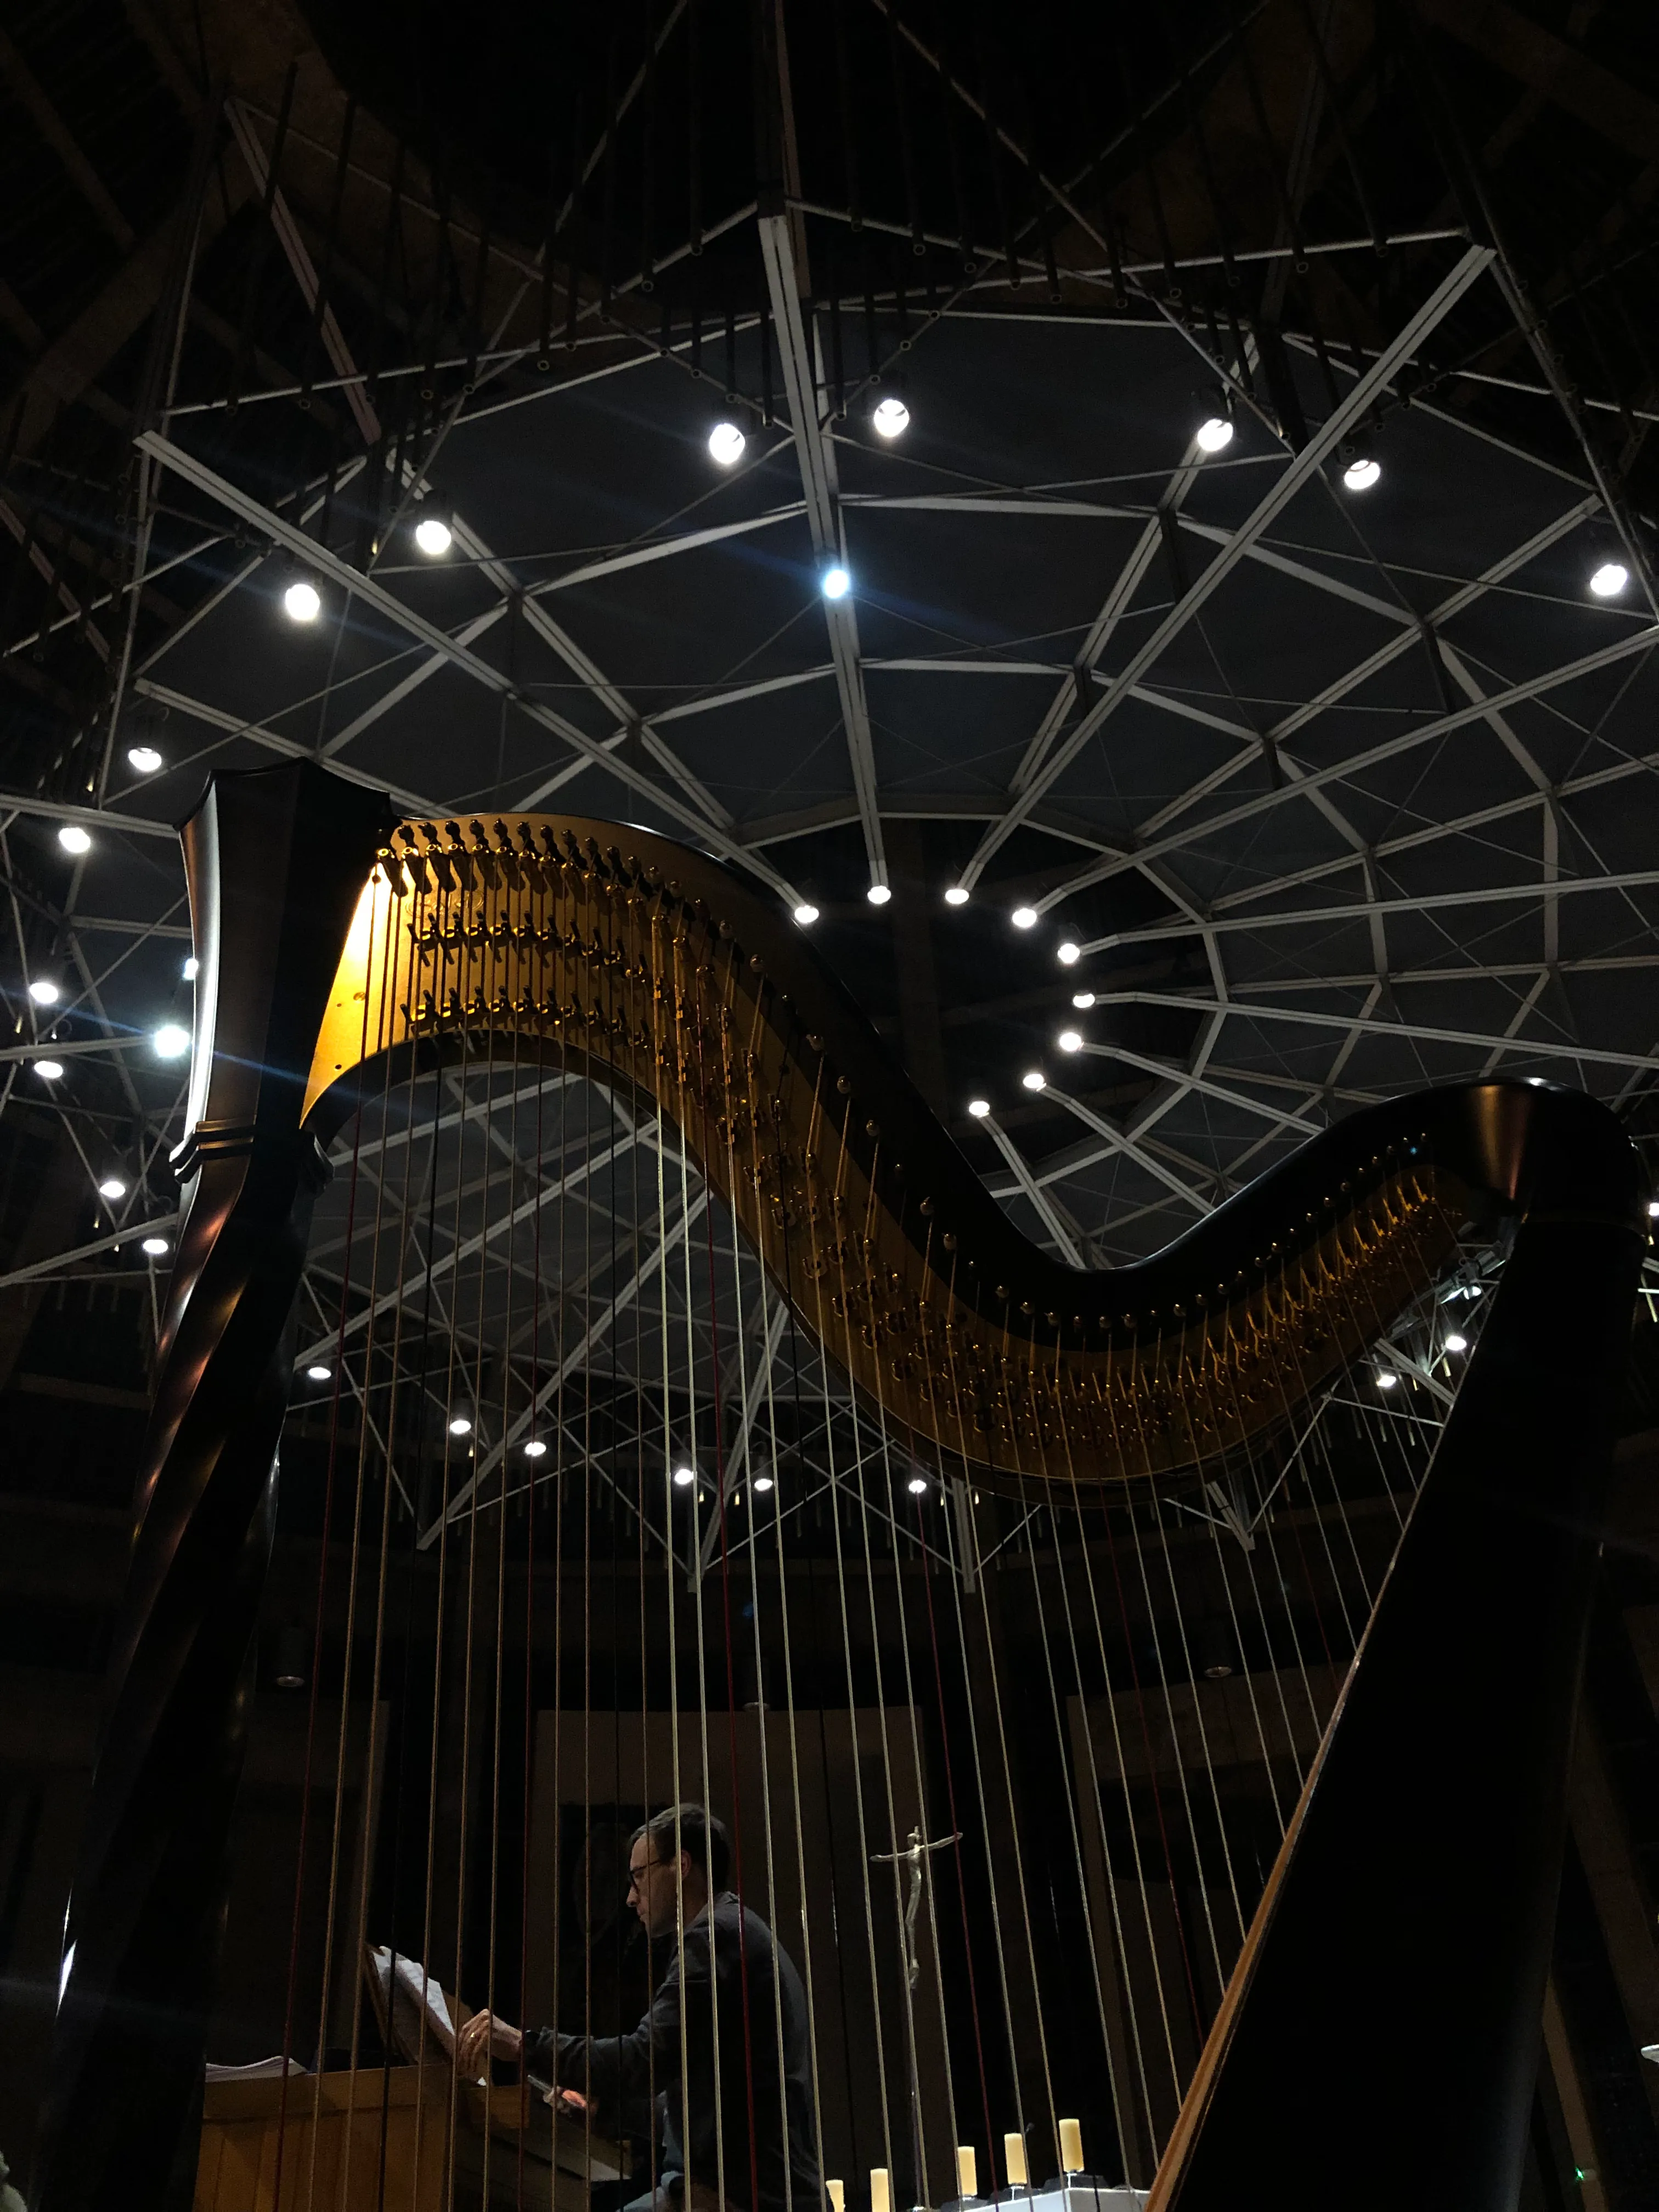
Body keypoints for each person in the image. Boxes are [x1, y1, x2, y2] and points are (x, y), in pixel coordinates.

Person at [455, 1804, 821, 2212]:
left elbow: (644, 2058)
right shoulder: (733, 1930)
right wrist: (604, 2107)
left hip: (737, 2198)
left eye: (640, 1876)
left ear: (680, 1865)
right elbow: (697, 2109)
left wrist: (525, 2046)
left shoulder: (713, 1937)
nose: (631, 1897)